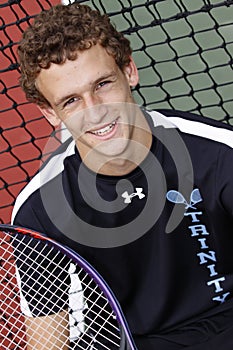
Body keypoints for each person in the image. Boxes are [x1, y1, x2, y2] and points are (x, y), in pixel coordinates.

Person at [11, 2, 233, 349]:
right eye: (70, 101)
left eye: (102, 84)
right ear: (49, 113)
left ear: (129, 71)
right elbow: (47, 338)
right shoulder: (38, 210)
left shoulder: (220, 154)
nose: (95, 111)